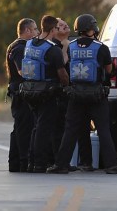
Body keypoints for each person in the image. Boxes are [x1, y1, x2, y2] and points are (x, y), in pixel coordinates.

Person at [48, 14, 117, 175]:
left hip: (76, 95)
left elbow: (67, 66)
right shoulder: (101, 47)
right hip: (96, 95)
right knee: (104, 130)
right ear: (93, 28)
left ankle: (61, 164)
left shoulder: (71, 46)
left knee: (70, 130)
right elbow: (109, 70)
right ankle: (111, 165)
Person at [19, 15, 69, 173]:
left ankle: (31, 162)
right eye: (56, 29)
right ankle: (40, 164)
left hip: (30, 91)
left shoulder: (29, 44)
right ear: (53, 29)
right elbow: (62, 74)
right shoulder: (52, 49)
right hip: (47, 93)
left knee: (36, 127)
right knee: (43, 129)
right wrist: (66, 86)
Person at [51, 18, 92, 171]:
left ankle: (86, 161)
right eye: (60, 25)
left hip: (79, 91)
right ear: (54, 31)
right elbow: (61, 65)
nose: (64, 25)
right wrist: (65, 48)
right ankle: (60, 161)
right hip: (63, 92)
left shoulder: (75, 43)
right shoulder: (56, 47)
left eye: (64, 23)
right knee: (63, 128)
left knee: (84, 127)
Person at [5, 18, 38, 172]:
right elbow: (22, 71)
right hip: (21, 93)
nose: (37, 33)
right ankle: (23, 162)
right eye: (35, 29)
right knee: (24, 128)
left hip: (19, 91)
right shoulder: (20, 47)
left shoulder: (16, 45)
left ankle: (16, 163)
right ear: (27, 31)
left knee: (19, 128)